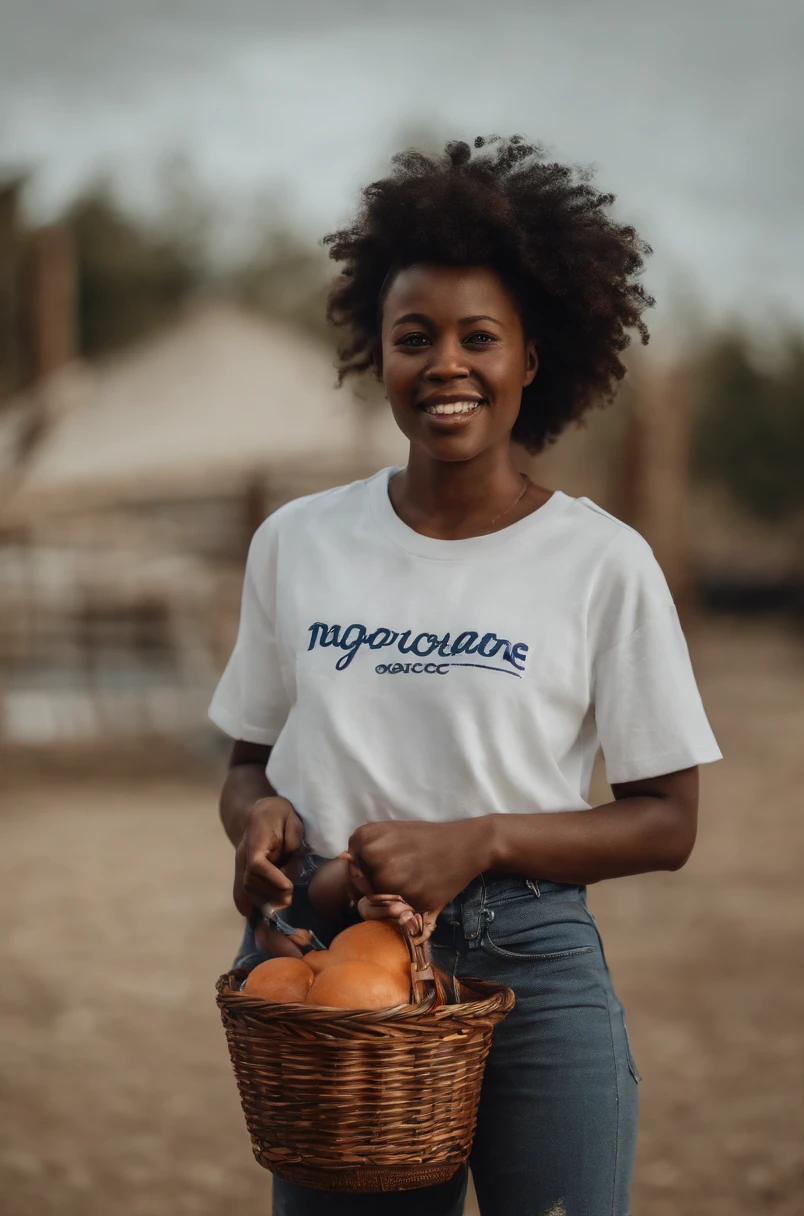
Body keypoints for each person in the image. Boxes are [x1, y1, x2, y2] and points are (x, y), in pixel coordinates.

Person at [209, 136, 722, 1216]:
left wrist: (479, 838)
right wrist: (257, 827)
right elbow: (247, 764)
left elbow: (666, 821)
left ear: (532, 357)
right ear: (376, 355)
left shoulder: (600, 562)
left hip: (528, 952)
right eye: (414, 337)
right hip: (331, 951)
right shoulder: (298, 543)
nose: (446, 363)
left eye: (478, 337)